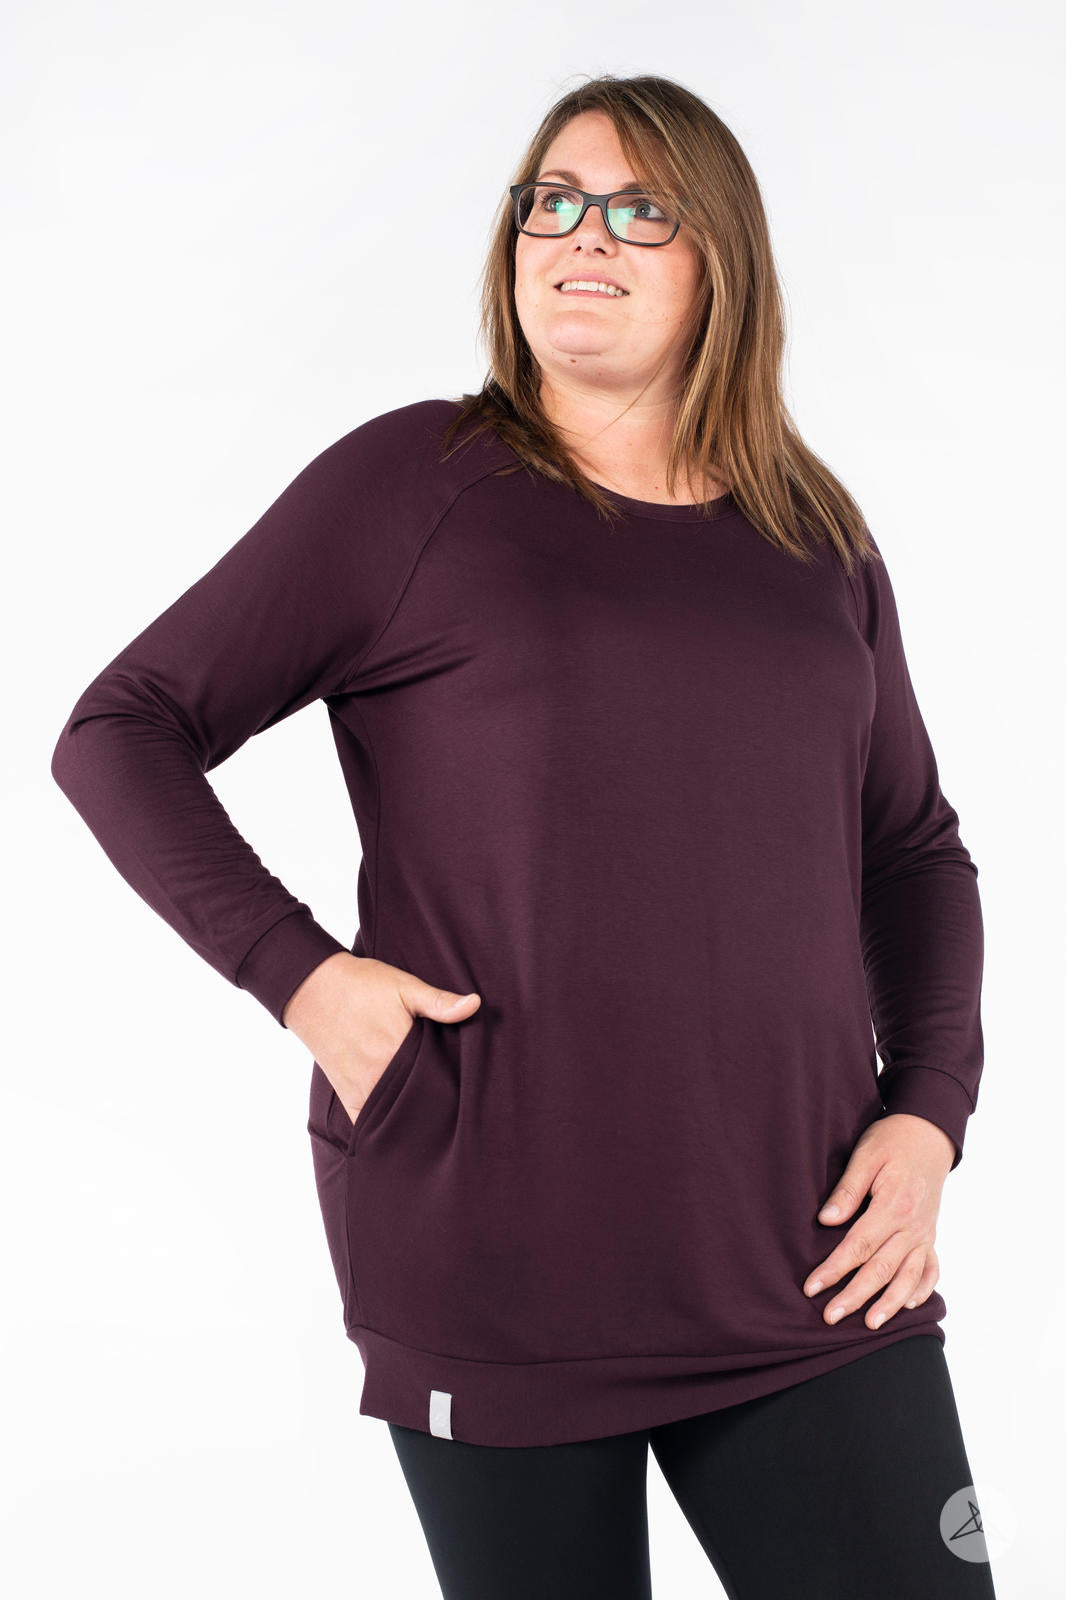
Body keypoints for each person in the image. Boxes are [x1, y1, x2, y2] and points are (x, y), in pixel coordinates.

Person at [50, 71, 997, 1599]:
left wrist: (930, 1109)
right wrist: (302, 977)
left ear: (723, 259)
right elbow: (121, 729)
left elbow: (908, 851)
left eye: (638, 209)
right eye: (550, 201)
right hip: (494, 1244)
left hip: (807, 1254)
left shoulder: (811, 532)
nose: (581, 235)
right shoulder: (417, 483)